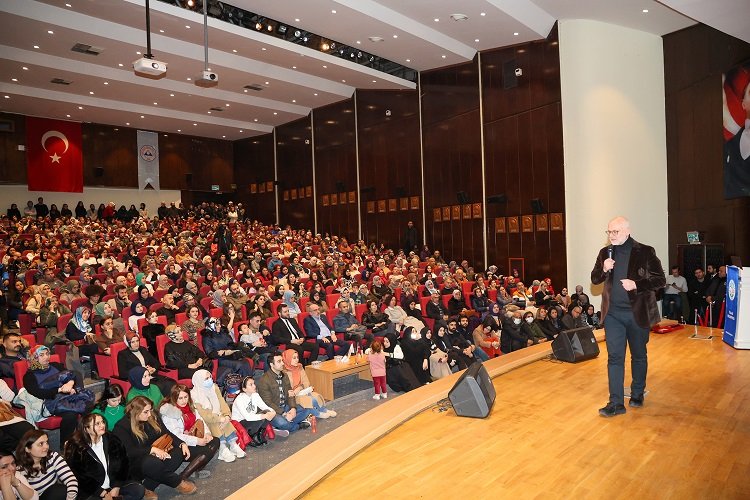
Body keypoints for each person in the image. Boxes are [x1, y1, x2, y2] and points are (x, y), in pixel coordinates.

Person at [591, 216, 665, 417]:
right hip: (613, 314)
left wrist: (637, 285)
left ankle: (637, 393)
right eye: (609, 232)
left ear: (627, 231)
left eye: (615, 232)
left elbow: (660, 280)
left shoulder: (645, 251)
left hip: (637, 313)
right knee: (615, 358)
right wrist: (604, 268)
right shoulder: (604, 253)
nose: (611, 236)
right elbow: (594, 278)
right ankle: (615, 403)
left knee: (638, 355)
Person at [112, 396, 197, 497]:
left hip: (157, 454)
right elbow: (129, 451)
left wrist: (182, 443)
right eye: (146, 412)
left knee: (179, 453)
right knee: (151, 462)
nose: (149, 414)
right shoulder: (122, 426)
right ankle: (177, 483)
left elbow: (166, 432)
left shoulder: (152, 415)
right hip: (137, 462)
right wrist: (152, 450)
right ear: (135, 412)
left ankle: (147, 486)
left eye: (150, 410)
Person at [62, 414, 145, 500]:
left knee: (138, 490)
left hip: (113, 486)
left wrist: (117, 486)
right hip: (93, 490)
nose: (102, 425)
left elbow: (124, 464)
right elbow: (79, 476)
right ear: (86, 429)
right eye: (97, 423)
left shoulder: (112, 439)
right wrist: (102, 493)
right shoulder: (77, 447)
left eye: (102, 422)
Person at [22, 346, 85, 447]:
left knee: (88, 405)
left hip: (67, 396)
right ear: (34, 357)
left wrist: (70, 383)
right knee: (71, 415)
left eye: (47, 354)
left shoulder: (55, 366)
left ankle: (87, 439)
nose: (46, 357)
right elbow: (38, 393)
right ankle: (65, 445)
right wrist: (59, 390)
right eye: (41, 355)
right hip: (50, 402)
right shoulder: (29, 376)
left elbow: (72, 374)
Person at [158, 384, 219, 479]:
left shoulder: (190, 406)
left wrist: (207, 433)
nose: (184, 401)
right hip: (179, 444)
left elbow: (200, 420)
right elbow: (176, 435)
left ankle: (196, 467)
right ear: (174, 398)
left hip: (192, 436)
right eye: (180, 398)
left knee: (215, 441)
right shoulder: (169, 412)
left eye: (186, 397)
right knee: (206, 452)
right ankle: (183, 476)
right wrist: (197, 441)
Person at [189, 370, 245, 462]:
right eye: (206, 378)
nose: (210, 380)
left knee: (223, 418)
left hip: (218, 415)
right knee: (216, 421)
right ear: (199, 381)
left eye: (210, 377)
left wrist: (227, 416)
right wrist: (220, 419)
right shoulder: (194, 395)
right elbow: (205, 415)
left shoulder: (214, 387)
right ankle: (222, 448)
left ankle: (233, 444)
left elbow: (222, 403)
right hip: (205, 420)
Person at [256, 352, 312, 435]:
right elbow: (268, 403)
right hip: (273, 410)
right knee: (282, 422)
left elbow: (291, 394)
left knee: (307, 410)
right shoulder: (264, 381)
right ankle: (296, 426)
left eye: (282, 360)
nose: (282, 363)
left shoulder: (284, 376)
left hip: (285, 406)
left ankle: (283, 426)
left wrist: (293, 408)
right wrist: (284, 414)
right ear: (272, 364)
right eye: (279, 361)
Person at [15, 430, 78, 500]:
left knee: (60, 490)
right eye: (41, 444)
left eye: (46, 442)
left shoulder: (53, 457)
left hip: (54, 495)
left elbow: (71, 480)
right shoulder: (19, 470)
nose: (46, 447)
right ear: (27, 449)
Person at [281, 350, 336, 419]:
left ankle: (324, 410)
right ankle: (318, 414)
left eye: (297, 357)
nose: (297, 360)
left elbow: (306, 382)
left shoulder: (299, 367)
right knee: (309, 401)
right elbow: (286, 389)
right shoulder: (283, 372)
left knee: (316, 397)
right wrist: (295, 391)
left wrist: (300, 387)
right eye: (294, 358)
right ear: (288, 359)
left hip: (302, 391)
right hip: (292, 396)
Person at [231, 377, 274, 447]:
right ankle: (252, 435)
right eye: (251, 384)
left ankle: (259, 434)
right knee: (262, 417)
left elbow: (264, 407)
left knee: (267, 412)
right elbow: (247, 417)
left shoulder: (255, 395)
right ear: (244, 389)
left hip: (251, 419)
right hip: (241, 422)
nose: (254, 386)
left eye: (254, 383)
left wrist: (272, 411)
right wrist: (264, 416)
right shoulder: (239, 400)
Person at [0, 379, 34, 455]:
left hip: (4, 415)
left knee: (28, 430)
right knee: (4, 439)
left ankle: (28, 459)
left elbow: (10, 398)